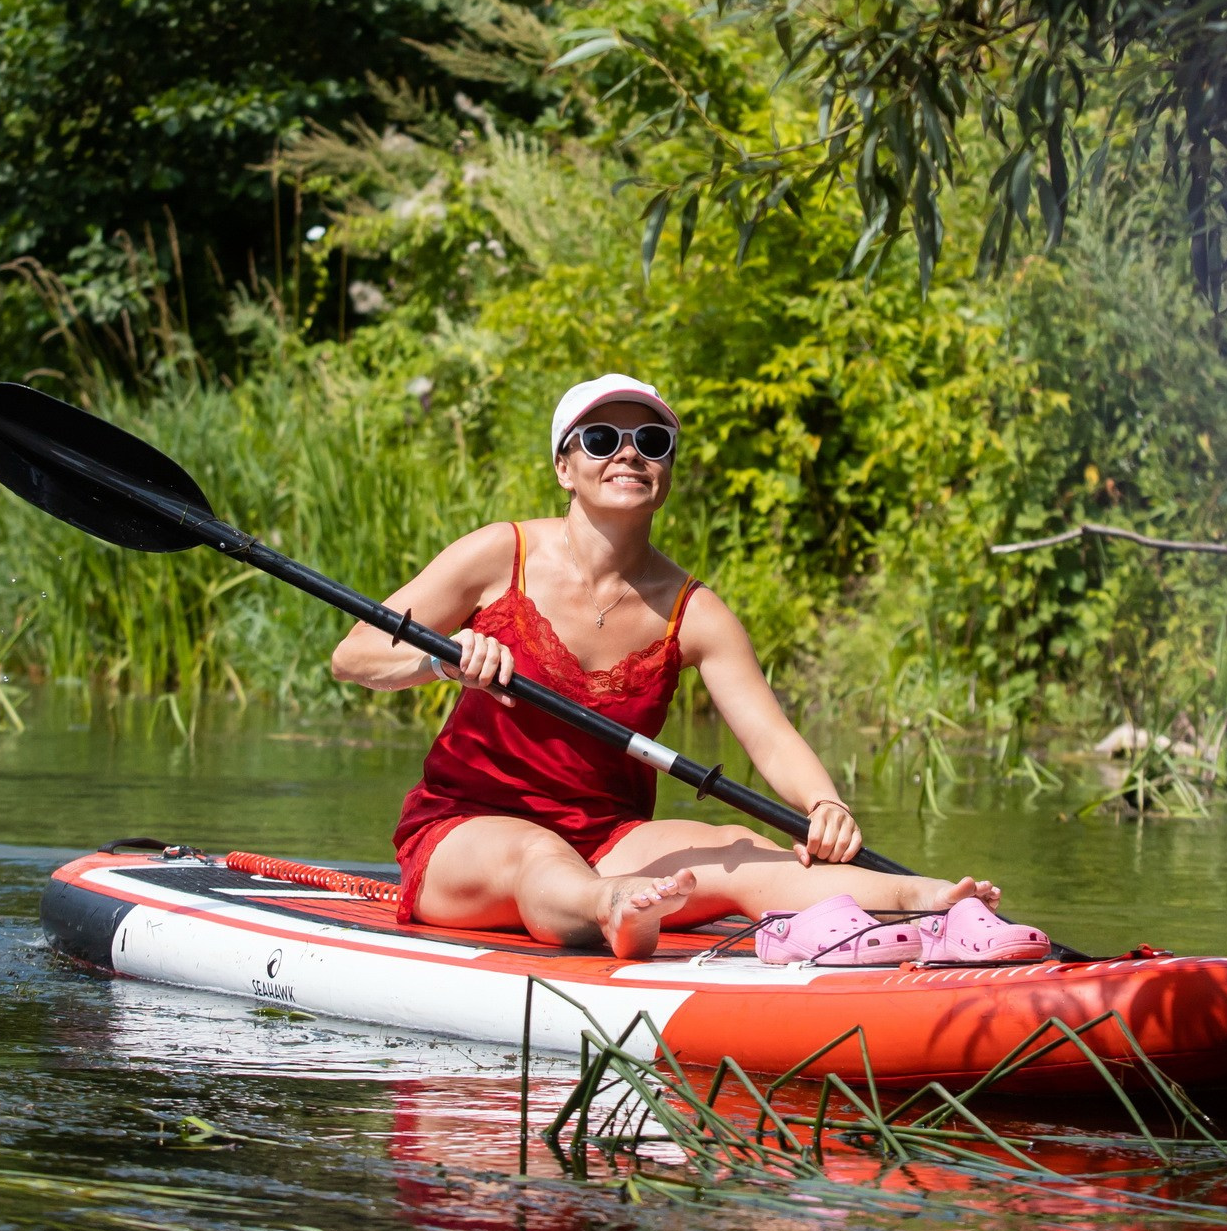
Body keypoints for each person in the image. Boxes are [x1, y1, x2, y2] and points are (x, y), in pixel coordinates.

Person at [332, 374, 1029, 959]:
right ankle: (610, 908)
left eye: (651, 441)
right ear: (564, 467)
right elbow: (354, 654)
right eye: (601, 439)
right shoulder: (498, 555)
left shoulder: (694, 612)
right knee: (536, 854)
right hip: (465, 832)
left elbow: (770, 736)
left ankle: (932, 904)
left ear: (666, 472)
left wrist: (825, 806)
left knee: (738, 846)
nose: (628, 454)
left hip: (611, 838)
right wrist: (444, 662)